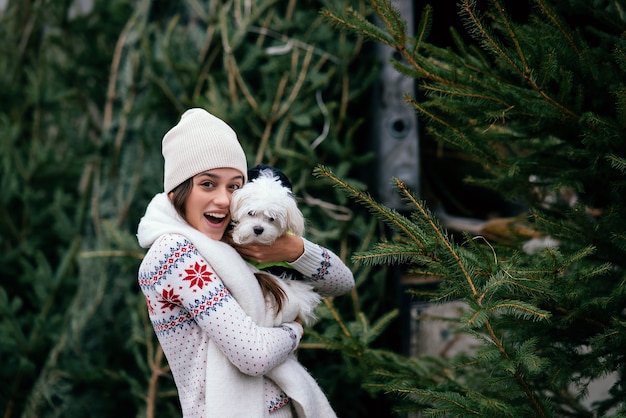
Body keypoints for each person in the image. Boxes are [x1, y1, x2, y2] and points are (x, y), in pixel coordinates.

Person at [136, 108, 355, 418]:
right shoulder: (173, 253)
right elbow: (254, 354)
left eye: (235, 186)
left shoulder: (234, 240)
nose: (225, 200)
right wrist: (294, 331)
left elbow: (342, 282)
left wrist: (293, 250)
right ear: (178, 191)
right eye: (208, 184)